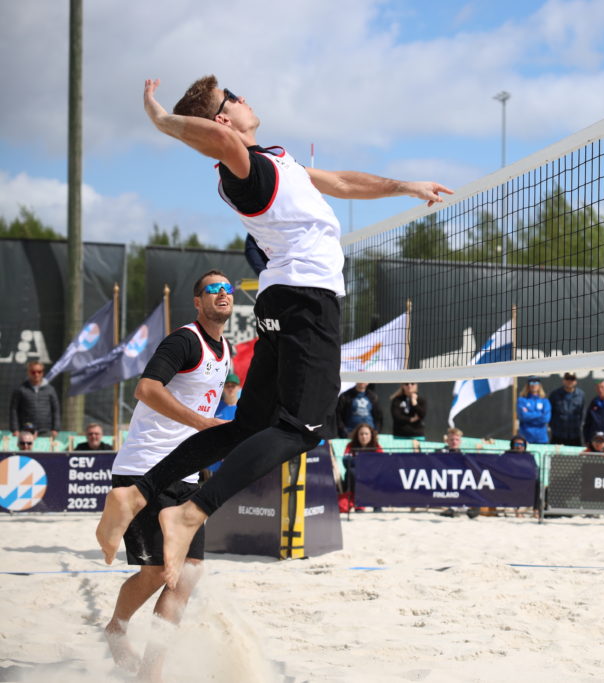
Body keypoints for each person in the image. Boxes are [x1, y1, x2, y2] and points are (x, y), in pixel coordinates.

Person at [96, 76, 452, 589]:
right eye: (233, 98)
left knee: (247, 426)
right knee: (303, 429)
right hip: (306, 299)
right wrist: (159, 118)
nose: (244, 99)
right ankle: (191, 512)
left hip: (283, 297)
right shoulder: (244, 167)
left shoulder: (275, 159)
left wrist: (403, 186)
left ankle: (139, 492)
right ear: (222, 119)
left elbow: (343, 182)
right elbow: (218, 142)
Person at [103, 270, 233, 678]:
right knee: (158, 571)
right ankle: (116, 628)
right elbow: (145, 389)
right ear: (197, 302)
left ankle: (151, 669)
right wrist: (200, 425)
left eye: (228, 288)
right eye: (213, 289)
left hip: (187, 472)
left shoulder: (225, 348)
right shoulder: (185, 339)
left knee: (188, 574)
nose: (222, 293)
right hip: (145, 469)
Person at [9, 361, 60, 440]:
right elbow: (14, 410)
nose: (36, 375)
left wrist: (55, 429)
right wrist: (15, 429)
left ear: (43, 372)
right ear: (28, 372)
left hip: (46, 431)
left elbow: (55, 409)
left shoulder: (50, 390)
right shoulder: (20, 389)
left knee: (45, 452)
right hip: (26, 430)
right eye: (33, 372)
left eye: (39, 372)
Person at [341, 422, 383, 513]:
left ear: (371, 435)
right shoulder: (350, 446)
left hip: (372, 475)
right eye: (361, 434)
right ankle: (359, 504)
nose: (364, 436)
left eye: (366, 434)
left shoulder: (376, 446)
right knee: (350, 472)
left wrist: (358, 461)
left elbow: (381, 463)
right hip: (356, 475)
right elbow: (346, 461)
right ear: (357, 435)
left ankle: (377, 504)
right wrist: (367, 462)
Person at [549, 372, 585, 446]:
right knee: (555, 457)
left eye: (572, 379)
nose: (570, 381)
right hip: (558, 435)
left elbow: (581, 413)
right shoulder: (555, 394)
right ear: (563, 380)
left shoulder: (581, 395)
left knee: (574, 457)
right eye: (567, 378)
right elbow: (550, 413)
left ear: (575, 381)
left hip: (574, 435)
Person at [517, 377, 551, 444]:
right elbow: (523, 416)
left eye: (536, 383)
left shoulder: (545, 401)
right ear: (528, 385)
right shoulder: (522, 400)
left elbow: (546, 418)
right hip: (526, 437)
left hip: (541, 438)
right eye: (531, 383)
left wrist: (529, 414)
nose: (534, 385)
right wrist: (540, 414)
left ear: (539, 385)